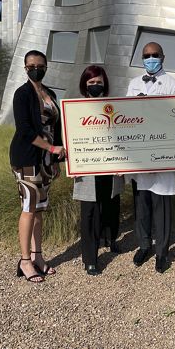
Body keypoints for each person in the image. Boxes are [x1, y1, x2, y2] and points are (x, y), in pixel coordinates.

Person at [9, 50, 66, 283]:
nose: (36, 68)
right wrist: (51, 149)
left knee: (40, 208)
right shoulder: (22, 94)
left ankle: (38, 255)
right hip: (27, 159)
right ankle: (24, 261)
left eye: (40, 65)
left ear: (46, 66)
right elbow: (25, 130)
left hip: (44, 161)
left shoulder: (50, 93)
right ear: (25, 68)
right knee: (29, 207)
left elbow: (57, 127)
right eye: (31, 65)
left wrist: (56, 158)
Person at [125, 42, 175, 273]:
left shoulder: (173, 84)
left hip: (162, 152)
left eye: (154, 55)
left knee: (161, 205)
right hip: (140, 152)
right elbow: (124, 117)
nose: (150, 59)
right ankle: (144, 244)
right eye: (146, 55)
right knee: (142, 203)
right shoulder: (133, 83)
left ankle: (162, 252)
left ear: (163, 57)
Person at [72, 65, 125, 276]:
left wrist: (124, 163)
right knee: (90, 212)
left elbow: (123, 137)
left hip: (111, 167)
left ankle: (111, 240)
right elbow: (69, 139)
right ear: (85, 84)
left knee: (112, 204)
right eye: (91, 82)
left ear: (105, 84)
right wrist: (74, 163)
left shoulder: (114, 107)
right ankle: (90, 258)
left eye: (99, 82)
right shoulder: (75, 109)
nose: (95, 86)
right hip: (88, 168)